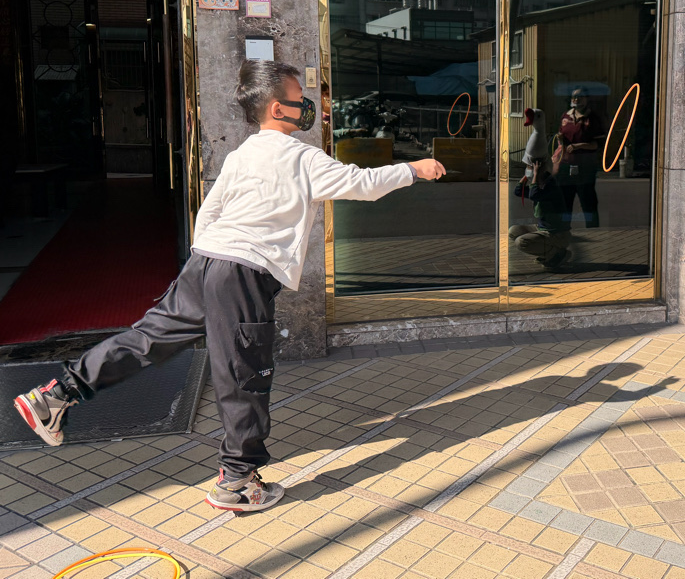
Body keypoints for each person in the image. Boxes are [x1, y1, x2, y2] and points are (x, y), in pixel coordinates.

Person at [12, 59, 446, 512]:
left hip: (207, 261)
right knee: (244, 373)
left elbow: (209, 211)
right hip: (243, 273)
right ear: (278, 108)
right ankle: (238, 482)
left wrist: (207, 260)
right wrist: (413, 169)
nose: (309, 107)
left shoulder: (242, 153)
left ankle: (56, 395)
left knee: (148, 339)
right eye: (301, 100)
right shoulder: (301, 157)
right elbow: (363, 184)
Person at [555, 87, 604, 229]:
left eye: (580, 96)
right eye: (574, 97)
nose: (576, 99)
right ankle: (563, 231)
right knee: (565, 202)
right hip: (565, 167)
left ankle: (593, 232)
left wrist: (578, 146)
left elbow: (597, 144)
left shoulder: (592, 118)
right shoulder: (565, 116)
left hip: (585, 168)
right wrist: (560, 140)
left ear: (586, 99)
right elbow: (561, 139)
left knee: (588, 202)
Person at [510, 158, 571, 270]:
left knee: (522, 242)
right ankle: (547, 253)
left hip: (557, 234)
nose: (529, 170)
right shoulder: (540, 185)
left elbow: (534, 195)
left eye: (531, 168)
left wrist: (535, 174)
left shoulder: (551, 186)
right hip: (542, 229)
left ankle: (556, 253)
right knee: (513, 231)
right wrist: (526, 176)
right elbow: (518, 191)